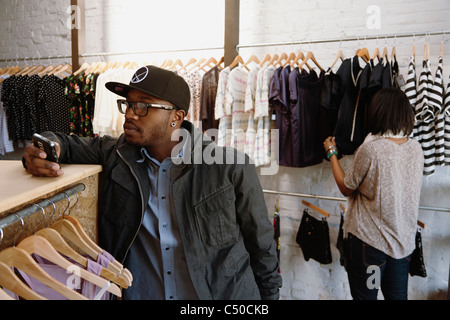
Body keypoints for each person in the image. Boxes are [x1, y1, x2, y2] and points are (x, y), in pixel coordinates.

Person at [23, 65, 282, 300]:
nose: (130, 115)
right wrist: (42, 150)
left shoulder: (229, 167)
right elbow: (62, 143)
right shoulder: (116, 156)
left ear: (176, 117)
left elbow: (262, 247)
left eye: (143, 106)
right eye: (128, 104)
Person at [323, 87, 424, 300]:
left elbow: (346, 187)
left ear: (378, 113)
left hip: (370, 248)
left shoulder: (371, 149)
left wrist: (332, 152)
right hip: (401, 247)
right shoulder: (416, 148)